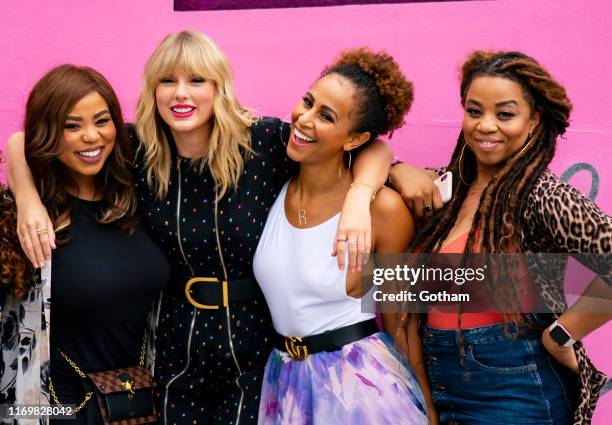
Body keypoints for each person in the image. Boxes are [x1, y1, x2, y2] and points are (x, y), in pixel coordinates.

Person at [6, 31, 393, 424]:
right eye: (167, 80)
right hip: (175, 345)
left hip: (254, 343)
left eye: (197, 80)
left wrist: (361, 195)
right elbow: (26, 138)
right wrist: (26, 197)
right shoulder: (135, 149)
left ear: (219, 87)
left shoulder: (265, 143)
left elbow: (371, 147)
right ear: (152, 90)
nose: (180, 94)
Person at [389, 50, 611, 424]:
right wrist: (397, 170)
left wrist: (561, 335)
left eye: (504, 114)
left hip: (515, 385)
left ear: (534, 120)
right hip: (441, 378)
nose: (485, 125)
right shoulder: (449, 189)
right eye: (474, 111)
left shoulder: (539, 193)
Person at [253, 48, 431, 425]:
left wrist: (427, 410)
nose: (304, 119)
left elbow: (401, 322)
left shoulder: (382, 211)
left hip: (357, 387)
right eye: (308, 101)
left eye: (326, 116)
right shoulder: (271, 181)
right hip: (283, 381)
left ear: (354, 139)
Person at [0, 65, 170, 424]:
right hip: (61, 409)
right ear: (47, 133)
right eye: (71, 126)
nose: (91, 137)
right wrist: (28, 198)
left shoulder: (135, 192)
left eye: (101, 120)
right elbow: (19, 141)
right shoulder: (27, 221)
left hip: (135, 402)